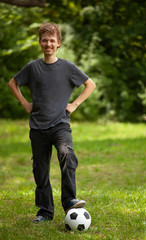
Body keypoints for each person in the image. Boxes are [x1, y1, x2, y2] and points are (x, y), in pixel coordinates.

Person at [8, 22, 96, 223]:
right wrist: (25, 103)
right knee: (41, 170)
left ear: (59, 43)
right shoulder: (32, 68)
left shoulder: (68, 68)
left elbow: (90, 84)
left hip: (60, 125)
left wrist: (75, 104)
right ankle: (45, 212)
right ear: (40, 42)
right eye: (45, 40)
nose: (48, 44)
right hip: (38, 127)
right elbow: (12, 83)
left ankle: (70, 201)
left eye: (52, 41)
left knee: (67, 155)